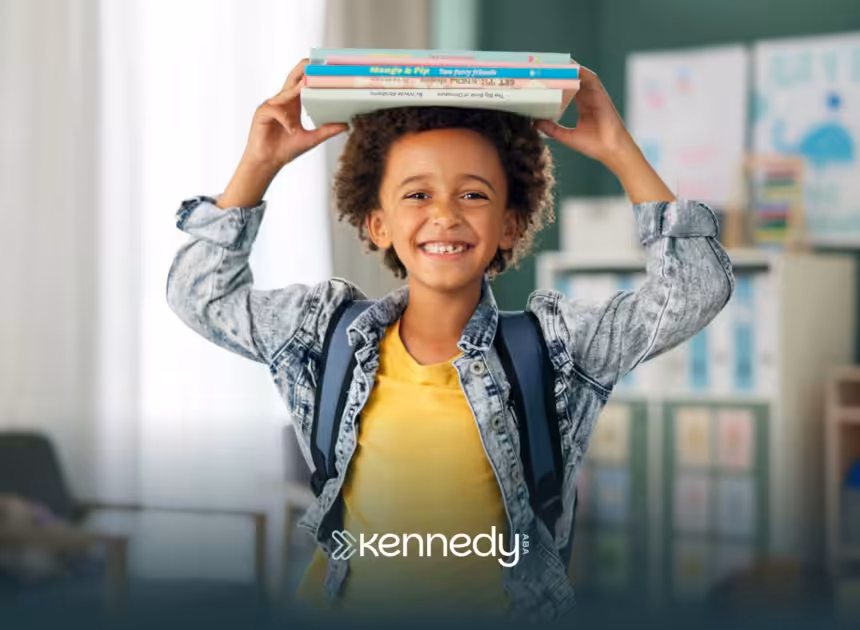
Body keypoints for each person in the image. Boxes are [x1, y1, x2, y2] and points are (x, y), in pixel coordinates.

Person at [166, 58, 735, 625]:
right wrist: (257, 166)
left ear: (511, 225)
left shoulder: (556, 349)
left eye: (474, 195)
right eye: (416, 195)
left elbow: (695, 289)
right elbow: (202, 297)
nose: (444, 215)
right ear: (377, 224)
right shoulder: (322, 335)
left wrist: (618, 151)